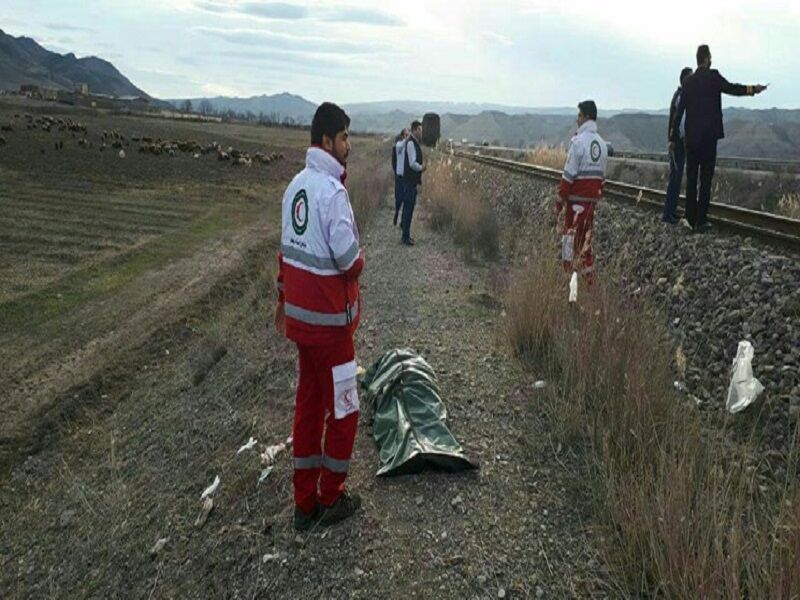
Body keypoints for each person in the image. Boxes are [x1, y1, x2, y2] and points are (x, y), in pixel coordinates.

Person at [274, 102, 364, 531]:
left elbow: (285, 255)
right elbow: (350, 260)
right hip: (332, 328)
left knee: (308, 409)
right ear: (328, 141)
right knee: (344, 412)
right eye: (345, 137)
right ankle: (331, 498)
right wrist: (359, 261)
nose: (349, 145)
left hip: (302, 327)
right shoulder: (333, 193)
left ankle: (303, 502)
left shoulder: (294, 187)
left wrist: (281, 302)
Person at [671, 44, 767, 232]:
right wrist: (752, 89)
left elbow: (679, 112)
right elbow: (732, 89)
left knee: (691, 179)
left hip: (691, 139)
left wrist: (673, 136)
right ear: (707, 58)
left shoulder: (688, 83)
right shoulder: (714, 77)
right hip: (709, 138)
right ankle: (701, 221)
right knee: (706, 179)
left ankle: (690, 219)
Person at [556, 100, 608, 285]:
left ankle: (568, 280)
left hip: (575, 203)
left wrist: (559, 201)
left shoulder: (578, 143)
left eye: (579, 115)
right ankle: (588, 282)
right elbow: (602, 179)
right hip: (591, 203)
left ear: (585, 116)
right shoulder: (602, 145)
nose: (577, 119)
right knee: (585, 243)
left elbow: (568, 175)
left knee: (569, 241)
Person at [662, 67, 693, 224]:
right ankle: (668, 214)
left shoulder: (680, 96)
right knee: (675, 177)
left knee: (676, 177)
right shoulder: (681, 97)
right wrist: (674, 139)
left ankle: (670, 212)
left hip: (678, 142)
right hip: (677, 143)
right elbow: (677, 121)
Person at [400, 120, 426, 246]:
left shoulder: (413, 142)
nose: (421, 132)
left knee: (408, 208)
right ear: (415, 130)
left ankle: (405, 234)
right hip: (409, 182)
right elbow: (412, 163)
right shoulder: (411, 143)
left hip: (410, 182)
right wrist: (422, 167)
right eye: (420, 130)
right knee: (408, 209)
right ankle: (405, 237)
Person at [392, 128, 409, 226]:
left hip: (407, 177)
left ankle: (403, 221)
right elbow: (402, 144)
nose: (407, 136)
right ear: (402, 136)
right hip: (399, 176)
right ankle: (396, 213)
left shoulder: (409, 147)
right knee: (399, 198)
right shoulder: (399, 145)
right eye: (406, 135)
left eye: (408, 134)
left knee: (406, 199)